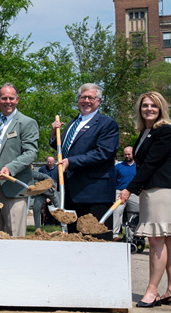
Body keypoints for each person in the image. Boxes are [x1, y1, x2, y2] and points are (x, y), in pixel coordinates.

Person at [118, 91, 171, 308]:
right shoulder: (146, 132)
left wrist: (129, 189)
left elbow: (151, 163)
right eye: (145, 105)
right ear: (140, 109)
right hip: (153, 190)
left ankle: (152, 291)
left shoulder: (164, 131)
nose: (149, 109)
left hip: (160, 191)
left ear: (161, 109)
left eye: (153, 106)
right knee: (166, 240)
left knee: (156, 240)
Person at [50, 83, 119, 240]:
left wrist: (71, 162)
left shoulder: (107, 124)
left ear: (99, 101)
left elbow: (103, 152)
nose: (86, 101)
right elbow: (66, 148)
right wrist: (54, 135)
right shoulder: (73, 123)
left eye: (91, 98)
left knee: (97, 241)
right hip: (72, 193)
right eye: (83, 97)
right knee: (75, 240)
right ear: (78, 99)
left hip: (95, 194)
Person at [0, 83, 38, 238]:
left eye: (11, 98)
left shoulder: (26, 122)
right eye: (4, 98)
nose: (7, 101)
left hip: (13, 186)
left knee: (15, 235)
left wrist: (10, 168)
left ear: (17, 100)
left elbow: (31, 152)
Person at [113, 146, 138, 241]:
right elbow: (113, 180)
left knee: (135, 215)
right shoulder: (118, 167)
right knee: (116, 211)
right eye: (125, 154)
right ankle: (115, 235)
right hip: (120, 192)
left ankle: (133, 236)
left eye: (129, 154)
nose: (127, 156)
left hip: (135, 193)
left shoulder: (138, 167)